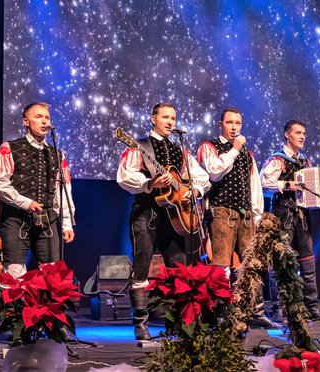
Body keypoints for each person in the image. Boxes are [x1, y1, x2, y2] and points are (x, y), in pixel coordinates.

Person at [116, 102, 210, 340]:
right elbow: (125, 176)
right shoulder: (140, 145)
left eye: (173, 118)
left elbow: (202, 177)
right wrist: (149, 184)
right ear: (153, 118)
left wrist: (194, 192)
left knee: (179, 269)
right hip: (146, 215)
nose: (170, 122)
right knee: (141, 267)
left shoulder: (181, 150)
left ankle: (178, 322)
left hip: (175, 218)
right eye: (165, 117)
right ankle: (140, 323)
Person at [196, 107, 276, 328]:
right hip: (222, 213)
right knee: (221, 265)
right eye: (230, 123)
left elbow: (254, 187)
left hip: (245, 214)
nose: (234, 127)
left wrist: (256, 215)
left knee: (251, 264)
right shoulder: (209, 147)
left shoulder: (247, 154)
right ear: (220, 124)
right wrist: (234, 149)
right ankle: (221, 312)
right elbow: (214, 172)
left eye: (237, 123)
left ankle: (255, 312)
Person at [260, 120, 320, 319]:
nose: (302, 137)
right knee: (281, 263)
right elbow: (264, 184)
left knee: (308, 263)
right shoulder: (277, 160)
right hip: (282, 215)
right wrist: (287, 184)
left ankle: (311, 307)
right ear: (286, 134)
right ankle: (280, 308)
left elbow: (315, 189)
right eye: (298, 133)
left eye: (304, 133)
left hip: (302, 217)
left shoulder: (305, 162)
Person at [0, 102, 76, 292]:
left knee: (53, 273)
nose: (44, 121)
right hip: (16, 217)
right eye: (38, 117)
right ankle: (15, 317)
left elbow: (63, 190)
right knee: (14, 271)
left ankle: (47, 318)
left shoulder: (57, 154)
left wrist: (67, 223)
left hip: (48, 219)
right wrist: (25, 202)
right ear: (26, 121)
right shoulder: (10, 148)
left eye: (47, 117)